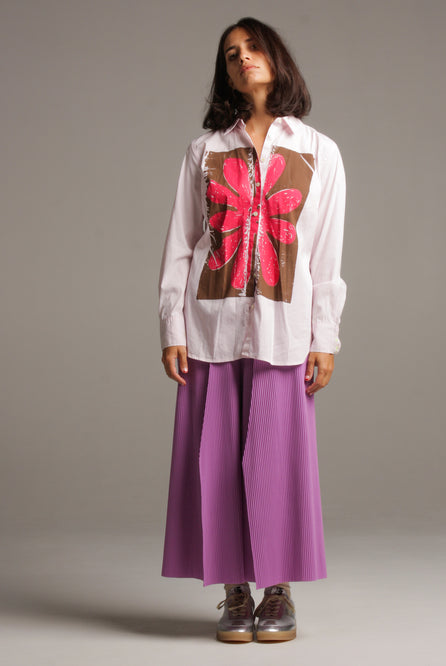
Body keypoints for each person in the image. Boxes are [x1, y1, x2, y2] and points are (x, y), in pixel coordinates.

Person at [158, 16, 347, 643]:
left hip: (284, 334)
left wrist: (325, 337)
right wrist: (171, 325)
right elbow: (182, 244)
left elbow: (325, 257)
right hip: (211, 329)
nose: (243, 58)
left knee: (278, 463)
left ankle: (278, 590)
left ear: (276, 57)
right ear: (226, 73)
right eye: (230, 54)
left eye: (253, 47)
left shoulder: (319, 151)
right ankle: (235, 590)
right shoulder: (205, 151)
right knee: (214, 462)